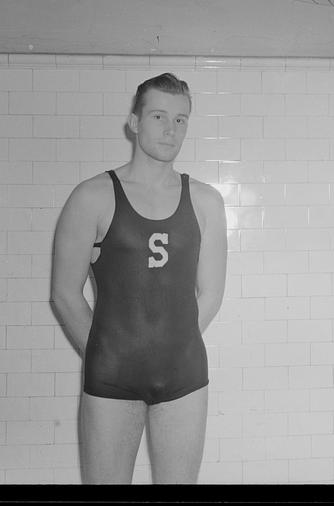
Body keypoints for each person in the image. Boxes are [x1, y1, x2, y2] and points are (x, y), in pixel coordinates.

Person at [51, 73, 227, 484]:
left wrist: (169, 345)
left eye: (181, 120)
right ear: (134, 122)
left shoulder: (205, 201)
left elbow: (212, 292)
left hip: (184, 376)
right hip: (112, 377)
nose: (171, 130)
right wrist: (108, 351)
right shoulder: (92, 196)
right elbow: (64, 294)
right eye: (159, 117)